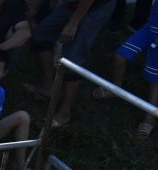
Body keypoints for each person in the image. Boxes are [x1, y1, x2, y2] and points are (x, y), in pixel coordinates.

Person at [92, 0, 158, 138]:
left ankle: (150, 118)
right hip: (150, 28)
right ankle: (115, 88)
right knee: (120, 56)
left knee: (155, 78)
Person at [27, 0, 117, 129]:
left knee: (73, 58)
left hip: (97, 6)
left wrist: (73, 24)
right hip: (71, 3)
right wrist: (36, 6)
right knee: (41, 35)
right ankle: (48, 87)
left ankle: (64, 113)